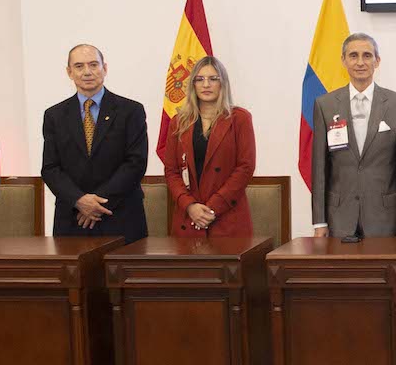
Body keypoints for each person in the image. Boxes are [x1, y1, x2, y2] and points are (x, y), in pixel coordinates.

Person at [310, 32, 396, 240]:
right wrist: (319, 221)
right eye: (353, 55)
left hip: (385, 218)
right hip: (338, 217)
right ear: (343, 61)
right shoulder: (325, 105)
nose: (360, 62)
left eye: (367, 56)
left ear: (377, 61)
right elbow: (319, 169)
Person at [41, 43, 149, 241]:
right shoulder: (54, 115)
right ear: (69, 72)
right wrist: (79, 200)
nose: (87, 72)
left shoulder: (131, 111)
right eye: (79, 66)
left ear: (105, 68)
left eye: (93, 65)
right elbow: (50, 168)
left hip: (121, 217)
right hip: (73, 219)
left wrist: (96, 204)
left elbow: (136, 163)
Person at [163, 55, 258, 238]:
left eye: (213, 79)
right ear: (193, 85)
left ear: (223, 84)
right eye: (200, 79)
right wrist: (190, 206)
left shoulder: (240, 118)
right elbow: (172, 171)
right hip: (188, 218)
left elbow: (245, 167)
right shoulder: (179, 122)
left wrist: (212, 208)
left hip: (228, 219)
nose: (206, 84)